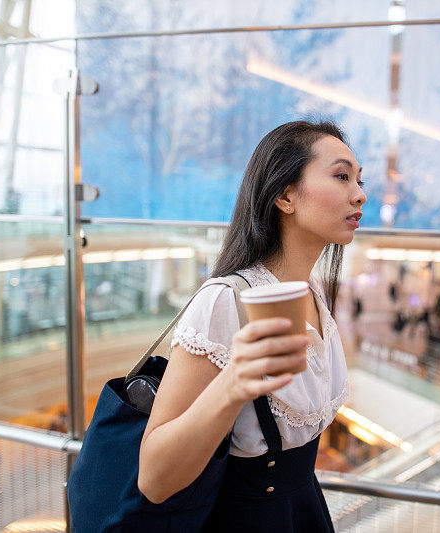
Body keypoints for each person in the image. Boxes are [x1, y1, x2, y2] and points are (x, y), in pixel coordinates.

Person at [138, 121, 366, 532]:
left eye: (359, 180)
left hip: (304, 513)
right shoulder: (225, 299)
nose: (359, 193)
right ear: (285, 195)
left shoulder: (313, 291)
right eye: (341, 176)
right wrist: (234, 384)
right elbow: (153, 478)